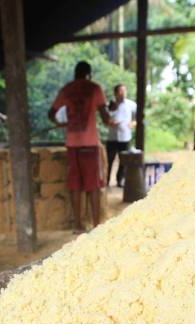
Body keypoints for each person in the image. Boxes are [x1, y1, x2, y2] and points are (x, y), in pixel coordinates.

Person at [49, 61, 116, 232]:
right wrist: (110, 115)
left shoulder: (66, 89)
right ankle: (95, 225)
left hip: (72, 144)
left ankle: (78, 225)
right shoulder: (94, 88)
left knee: (75, 186)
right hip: (90, 144)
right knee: (93, 185)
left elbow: (51, 113)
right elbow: (105, 117)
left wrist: (61, 123)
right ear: (89, 74)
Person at [106, 84, 137, 188]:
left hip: (125, 137)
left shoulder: (131, 104)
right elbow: (105, 119)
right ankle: (106, 182)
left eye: (124, 91)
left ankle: (119, 181)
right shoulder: (110, 105)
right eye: (120, 91)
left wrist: (133, 123)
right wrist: (110, 123)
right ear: (115, 93)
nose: (123, 93)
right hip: (112, 137)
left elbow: (137, 118)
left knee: (123, 161)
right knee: (109, 160)